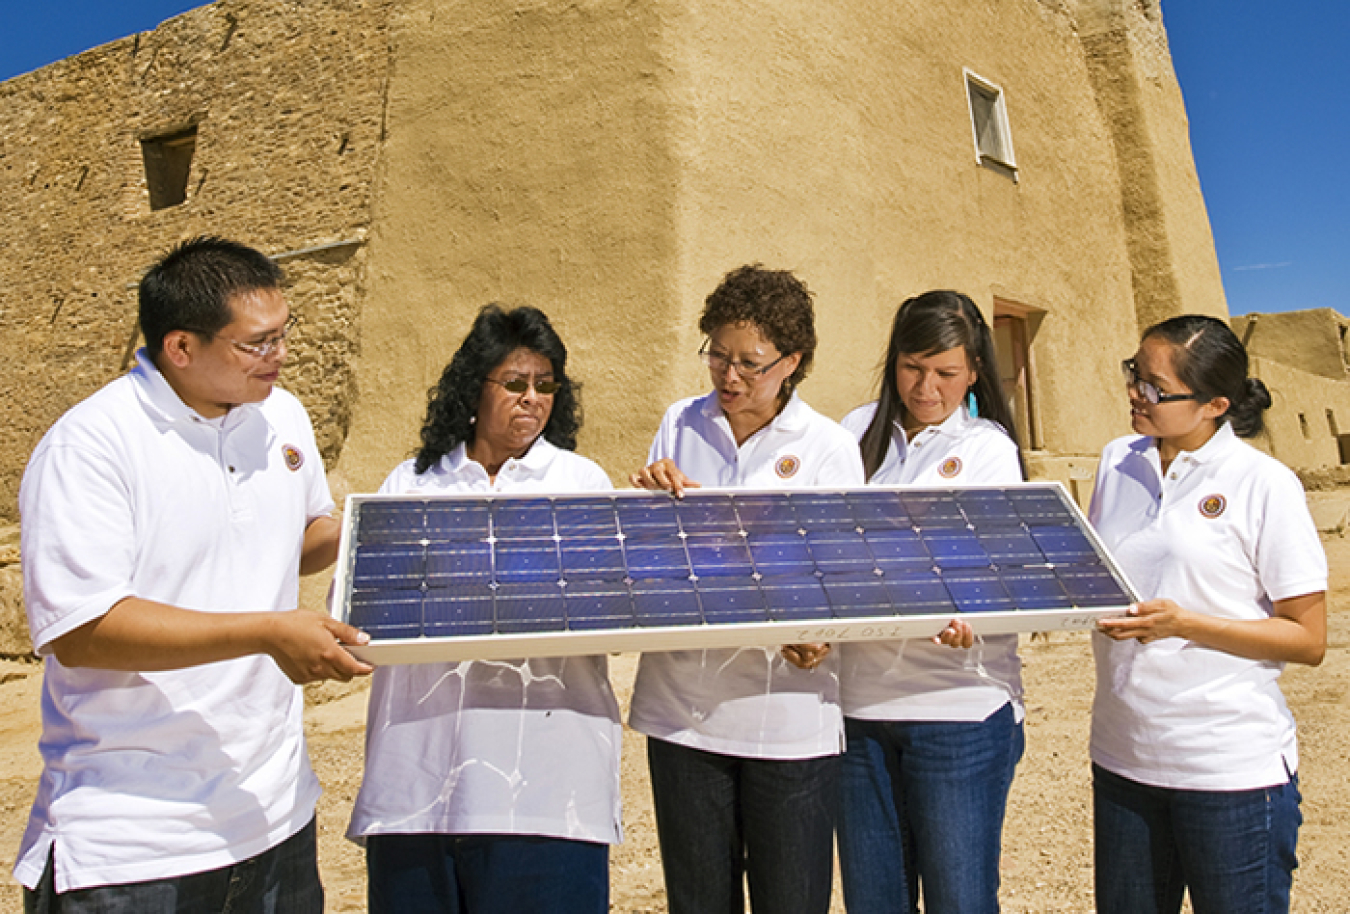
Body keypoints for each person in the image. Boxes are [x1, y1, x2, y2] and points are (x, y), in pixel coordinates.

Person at [14, 236, 373, 913]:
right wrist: (268, 632)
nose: (281, 356)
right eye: (257, 344)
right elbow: (84, 629)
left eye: (283, 335)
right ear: (181, 347)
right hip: (136, 845)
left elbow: (292, 538)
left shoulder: (280, 416)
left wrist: (381, 528)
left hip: (274, 819)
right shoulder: (90, 447)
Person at [347, 304, 621, 914]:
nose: (533, 399)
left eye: (546, 386)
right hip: (415, 794)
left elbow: (611, 609)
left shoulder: (580, 485)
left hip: (549, 799)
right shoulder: (410, 486)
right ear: (475, 386)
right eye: (516, 384)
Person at [627, 264, 865, 914]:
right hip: (683, 718)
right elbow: (653, 559)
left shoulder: (828, 447)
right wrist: (650, 502)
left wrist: (822, 633)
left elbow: (843, 577)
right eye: (717, 356)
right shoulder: (680, 424)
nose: (729, 377)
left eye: (750, 365)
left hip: (786, 725)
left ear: (792, 362)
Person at [1089, 314, 1326, 914]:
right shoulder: (1118, 460)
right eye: (1133, 376)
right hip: (1124, 759)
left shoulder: (1263, 484)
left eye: (1155, 389)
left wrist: (1185, 624)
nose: (1136, 396)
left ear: (1215, 404)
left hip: (1228, 773)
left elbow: (1306, 638)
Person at [835, 290, 1025, 914]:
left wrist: (976, 611)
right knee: (874, 901)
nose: (927, 387)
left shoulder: (989, 448)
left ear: (974, 371)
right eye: (913, 366)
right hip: (858, 710)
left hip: (959, 712)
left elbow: (996, 569)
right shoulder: (852, 433)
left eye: (946, 373)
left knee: (959, 900)